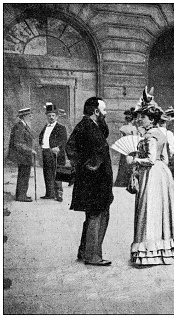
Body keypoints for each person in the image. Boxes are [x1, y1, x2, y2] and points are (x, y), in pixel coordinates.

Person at [125, 89, 174, 265]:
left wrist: (134, 160)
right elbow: (165, 158)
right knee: (160, 208)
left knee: (150, 208)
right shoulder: (160, 133)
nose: (140, 119)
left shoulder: (151, 135)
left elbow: (150, 159)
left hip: (152, 174)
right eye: (139, 117)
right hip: (162, 173)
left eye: (143, 117)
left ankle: (150, 251)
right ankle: (166, 247)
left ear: (152, 119)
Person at [66, 97, 114, 266]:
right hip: (95, 182)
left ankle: (84, 251)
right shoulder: (86, 126)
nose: (106, 113)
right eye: (104, 110)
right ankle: (93, 256)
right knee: (97, 216)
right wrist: (88, 167)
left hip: (95, 182)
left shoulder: (90, 125)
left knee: (93, 216)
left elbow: (104, 134)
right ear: (96, 112)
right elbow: (70, 148)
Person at [38, 102, 68, 202]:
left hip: (56, 154)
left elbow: (64, 141)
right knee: (47, 173)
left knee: (57, 174)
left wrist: (58, 148)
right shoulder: (45, 127)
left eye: (53, 115)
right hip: (46, 153)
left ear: (57, 117)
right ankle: (49, 194)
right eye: (49, 115)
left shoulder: (61, 128)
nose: (51, 117)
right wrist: (41, 145)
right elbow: (41, 138)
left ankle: (59, 195)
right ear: (47, 116)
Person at [8, 108, 37, 202]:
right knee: (23, 175)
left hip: (24, 155)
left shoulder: (24, 125)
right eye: (29, 116)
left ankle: (22, 194)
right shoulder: (19, 127)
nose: (31, 117)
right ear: (24, 117)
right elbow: (18, 143)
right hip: (22, 155)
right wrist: (30, 150)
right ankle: (21, 196)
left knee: (24, 175)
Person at [114, 109, 139, 187]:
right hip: (131, 147)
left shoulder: (122, 128)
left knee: (123, 163)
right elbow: (135, 138)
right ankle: (129, 180)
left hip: (125, 147)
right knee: (131, 163)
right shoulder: (133, 128)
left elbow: (121, 138)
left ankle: (121, 181)